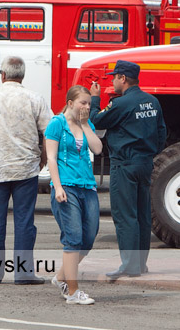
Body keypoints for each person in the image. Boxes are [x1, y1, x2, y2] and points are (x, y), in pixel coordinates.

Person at [0, 55, 51, 284]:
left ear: (2, 75)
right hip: (25, 169)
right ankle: (23, 273)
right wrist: (43, 157)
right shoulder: (35, 98)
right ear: (22, 75)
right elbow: (49, 132)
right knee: (24, 221)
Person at [89, 60, 167, 279]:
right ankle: (141, 264)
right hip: (145, 163)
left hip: (124, 164)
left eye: (114, 77)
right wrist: (149, 153)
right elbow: (162, 133)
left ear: (123, 79)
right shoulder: (152, 102)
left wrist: (95, 99)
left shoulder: (121, 104)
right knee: (142, 214)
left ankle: (129, 265)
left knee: (125, 216)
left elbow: (96, 120)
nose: (113, 81)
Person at [45, 85, 103, 306]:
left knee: (88, 238)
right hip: (66, 185)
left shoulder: (86, 124)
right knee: (74, 238)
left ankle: (61, 277)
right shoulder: (56, 124)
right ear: (70, 103)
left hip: (87, 186)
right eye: (83, 103)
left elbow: (97, 149)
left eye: (89, 103)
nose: (87, 107)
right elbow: (51, 158)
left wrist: (86, 123)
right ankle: (72, 291)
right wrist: (57, 187)